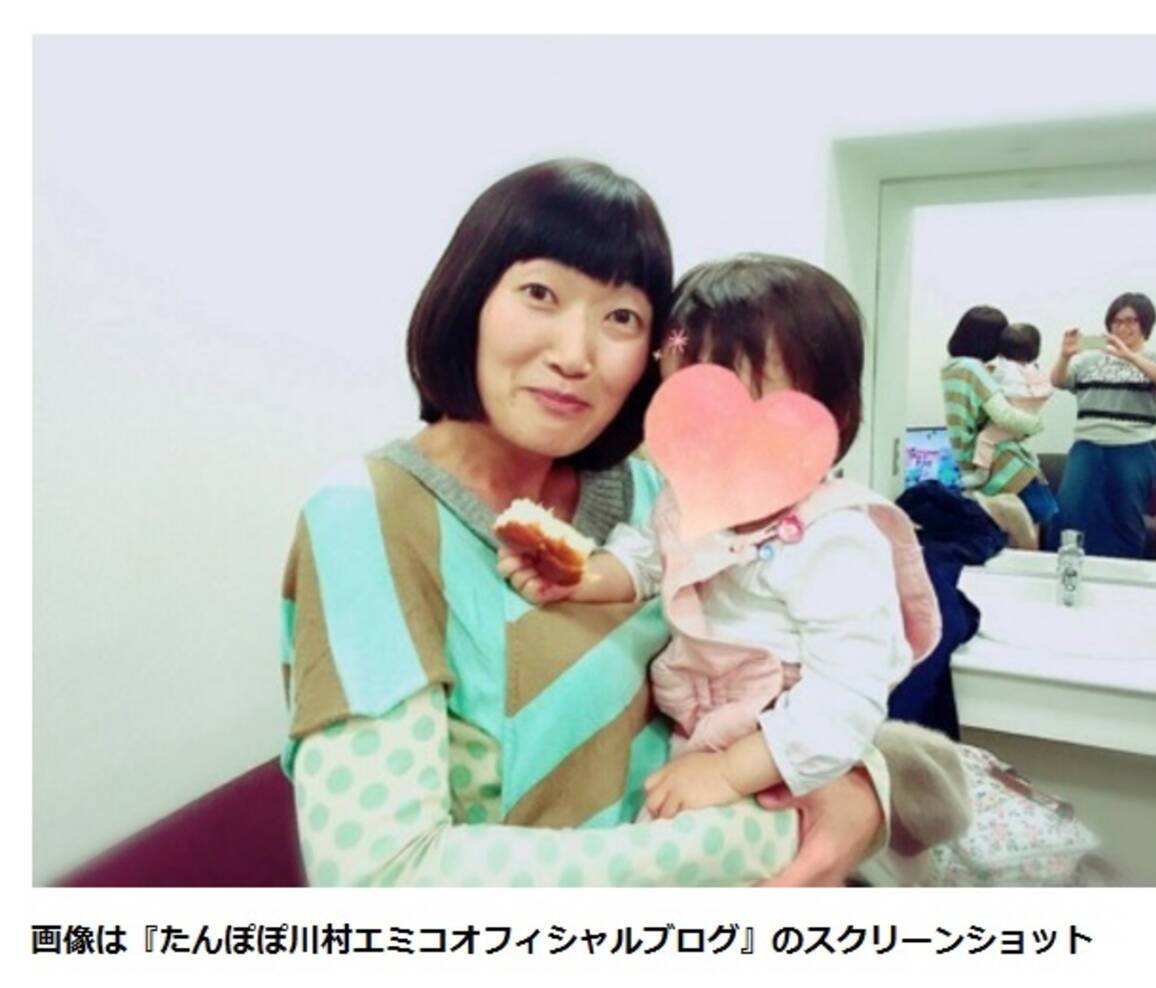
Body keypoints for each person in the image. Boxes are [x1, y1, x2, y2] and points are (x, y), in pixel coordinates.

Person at [279, 159, 968, 887]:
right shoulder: (367, 514)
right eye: (540, 293)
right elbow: (383, 879)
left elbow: (812, 676)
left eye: (621, 319)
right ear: (469, 296)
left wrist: (860, 794)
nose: (575, 356)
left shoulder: (654, 488)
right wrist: (771, 836)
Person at [499, 255, 943, 824]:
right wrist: (582, 577)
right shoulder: (689, 499)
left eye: (743, 413)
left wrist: (731, 771)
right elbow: (648, 557)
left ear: (828, 418)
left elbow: (847, 696)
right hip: (697, 730)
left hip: (782, 751)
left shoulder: (835, 540)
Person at [1050, 292, 1156, 558]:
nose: (1123, 327)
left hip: (1134, 448)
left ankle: (1127, 577)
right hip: (1087, 446)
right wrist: (1065, 356)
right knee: (1069, 512)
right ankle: (1068, 572)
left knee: (1126, 519)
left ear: (1145, 324)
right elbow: (1058, 381)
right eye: (1116, 321)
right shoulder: (1090, 360)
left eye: (1131, 321)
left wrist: (1130, 356)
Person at [940, 306, 1055, 548]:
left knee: (998, 536)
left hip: (976, 463)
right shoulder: (973, 369)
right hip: (1006, 464)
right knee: (1027, 532)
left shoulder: (951, 369)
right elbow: (1004, 415)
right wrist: (1035, 424)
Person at [963, 322, 1058, 531]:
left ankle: (980, 474)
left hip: (1011, 460)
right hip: (1018, 448)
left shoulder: (997, 371)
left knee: (986, 440)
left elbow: (1001, 415)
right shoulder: (1034, 371)